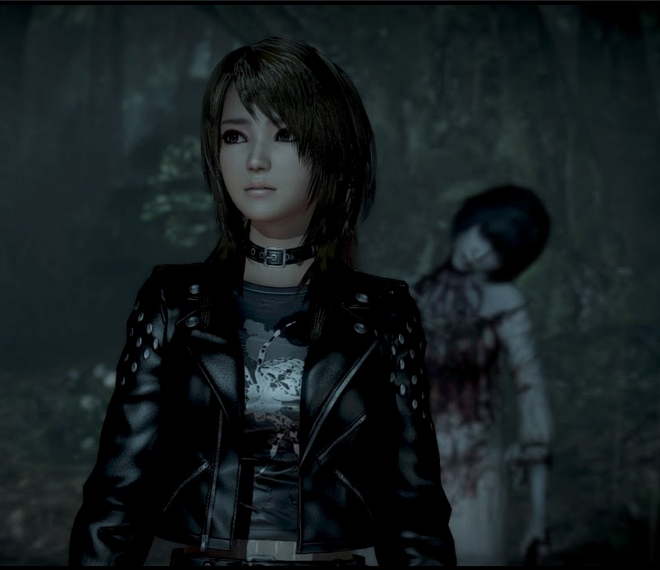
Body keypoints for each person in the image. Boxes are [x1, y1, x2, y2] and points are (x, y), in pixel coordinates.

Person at [69, 37, 455, 567]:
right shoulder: (171, 304)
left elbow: (415, 511)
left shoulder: (382, 313)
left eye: (285, 134)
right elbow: (118, 496)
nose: (255, 160)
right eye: (234, 136)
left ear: (334, 149)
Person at [411, 185, 554, 566]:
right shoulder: (415, 289)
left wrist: (538, 518)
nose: (479, 253)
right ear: (471, 220)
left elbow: (530, 391)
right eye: (483, 235)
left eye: (497, 252)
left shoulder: (504, 302)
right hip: (405, 464)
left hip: (472, 469)